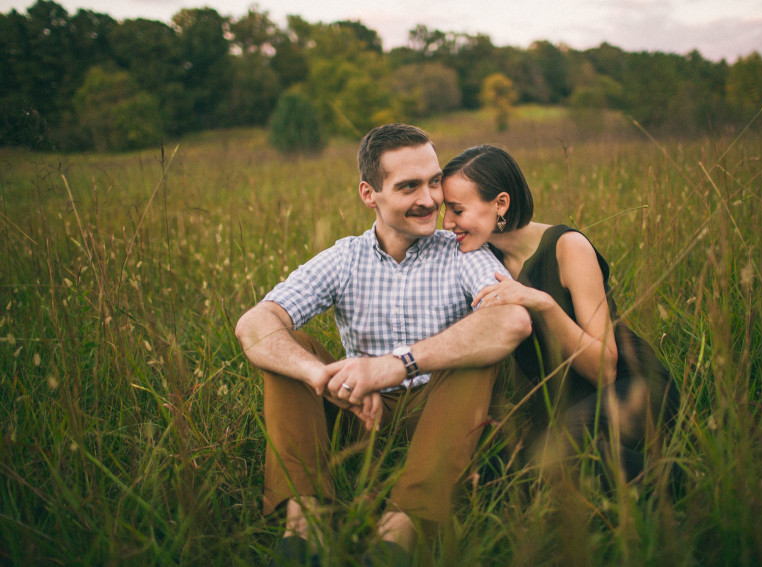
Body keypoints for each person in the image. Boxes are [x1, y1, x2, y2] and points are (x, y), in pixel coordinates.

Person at [234, 125, 531, 565]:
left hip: (439, 412)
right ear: (369, 194)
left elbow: (511, 319)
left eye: (434, 182)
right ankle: (307, 522)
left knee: (476, 357)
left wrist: (398, 364)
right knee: (289, 347)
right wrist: (319, 375)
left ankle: (401, 529)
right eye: (409, 186)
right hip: (360, 414)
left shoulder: (461, 251)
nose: (430, 199)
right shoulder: (345, 257)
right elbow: (254, 324)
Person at [441, 144, 678, 485]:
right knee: (494, 469)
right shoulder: (482, 258)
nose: (448, 222)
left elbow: (605, 368)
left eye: (457, 210)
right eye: (445, 210)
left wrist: (544, 304)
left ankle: (683, 483)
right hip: (565, 405)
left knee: (543, 460)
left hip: (632, 386)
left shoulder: (568, 248)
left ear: (501, 204)